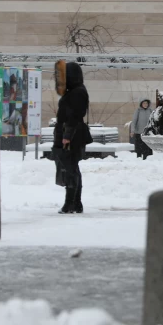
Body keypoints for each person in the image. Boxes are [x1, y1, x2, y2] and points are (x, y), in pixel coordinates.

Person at [53, 62, 90, 214]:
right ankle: (75, 203)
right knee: (72, 168)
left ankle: (71, 204)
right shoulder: (74, 91)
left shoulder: (78, 92)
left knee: (70, 169)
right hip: (69, 133)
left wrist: (67, 136)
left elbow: (75, 116)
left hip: (72, 135)